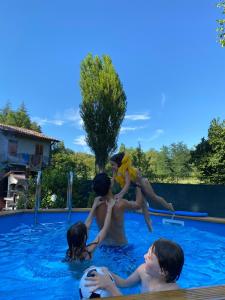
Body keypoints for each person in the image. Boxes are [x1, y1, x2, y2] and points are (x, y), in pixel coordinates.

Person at [85, 238, 184, 296]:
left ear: (163, 271)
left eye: (149, 257)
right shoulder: (143, 271)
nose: (144, 256)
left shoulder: (170, 293)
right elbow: (124, 283)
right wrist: (105, 272)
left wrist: (110, 286)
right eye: (147, 252)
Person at [110, 152, 174, 232]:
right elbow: (112, 180)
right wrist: (108, 188)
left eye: (113, 164)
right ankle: (149, 225)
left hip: (142, 182)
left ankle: (168, 205)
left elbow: (127, 184)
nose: (111, 167)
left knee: (154, 197)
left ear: (118, 163)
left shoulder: (125, 170)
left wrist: (120, 194)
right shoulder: (115, 171)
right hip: (137, 185)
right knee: (143, 204)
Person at [93, 172, 143, 246]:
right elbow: (138, 205)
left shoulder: (96, 203)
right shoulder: (120, 204)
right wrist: (138, 184)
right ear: (110, 185)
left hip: (103, 247)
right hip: (121, 248)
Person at [64, 196, 115, 262]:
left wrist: (94, 205)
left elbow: (86, 227)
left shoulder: (69, 252)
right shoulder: (89, 250)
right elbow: (104, 229)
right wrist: (109, 208)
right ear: (85, 237)